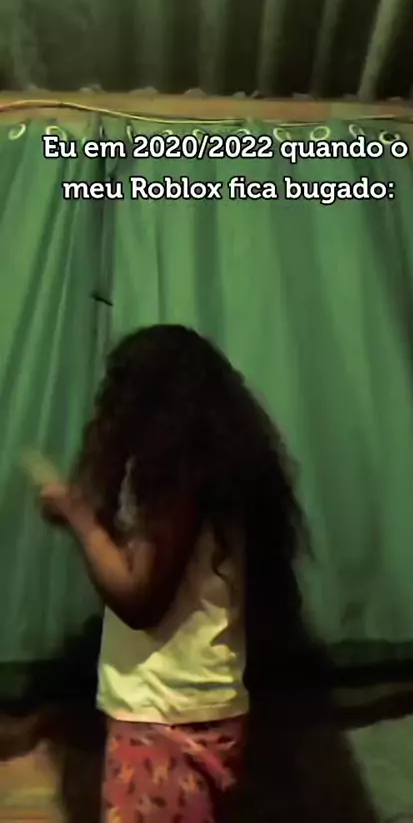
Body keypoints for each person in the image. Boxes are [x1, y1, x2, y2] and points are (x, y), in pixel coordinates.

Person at [38, 325, 310, 823]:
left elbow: (138, 598)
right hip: (194, 709)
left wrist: (79, 518)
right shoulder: (205, 469)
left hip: (164, 718)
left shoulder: (174, 477)